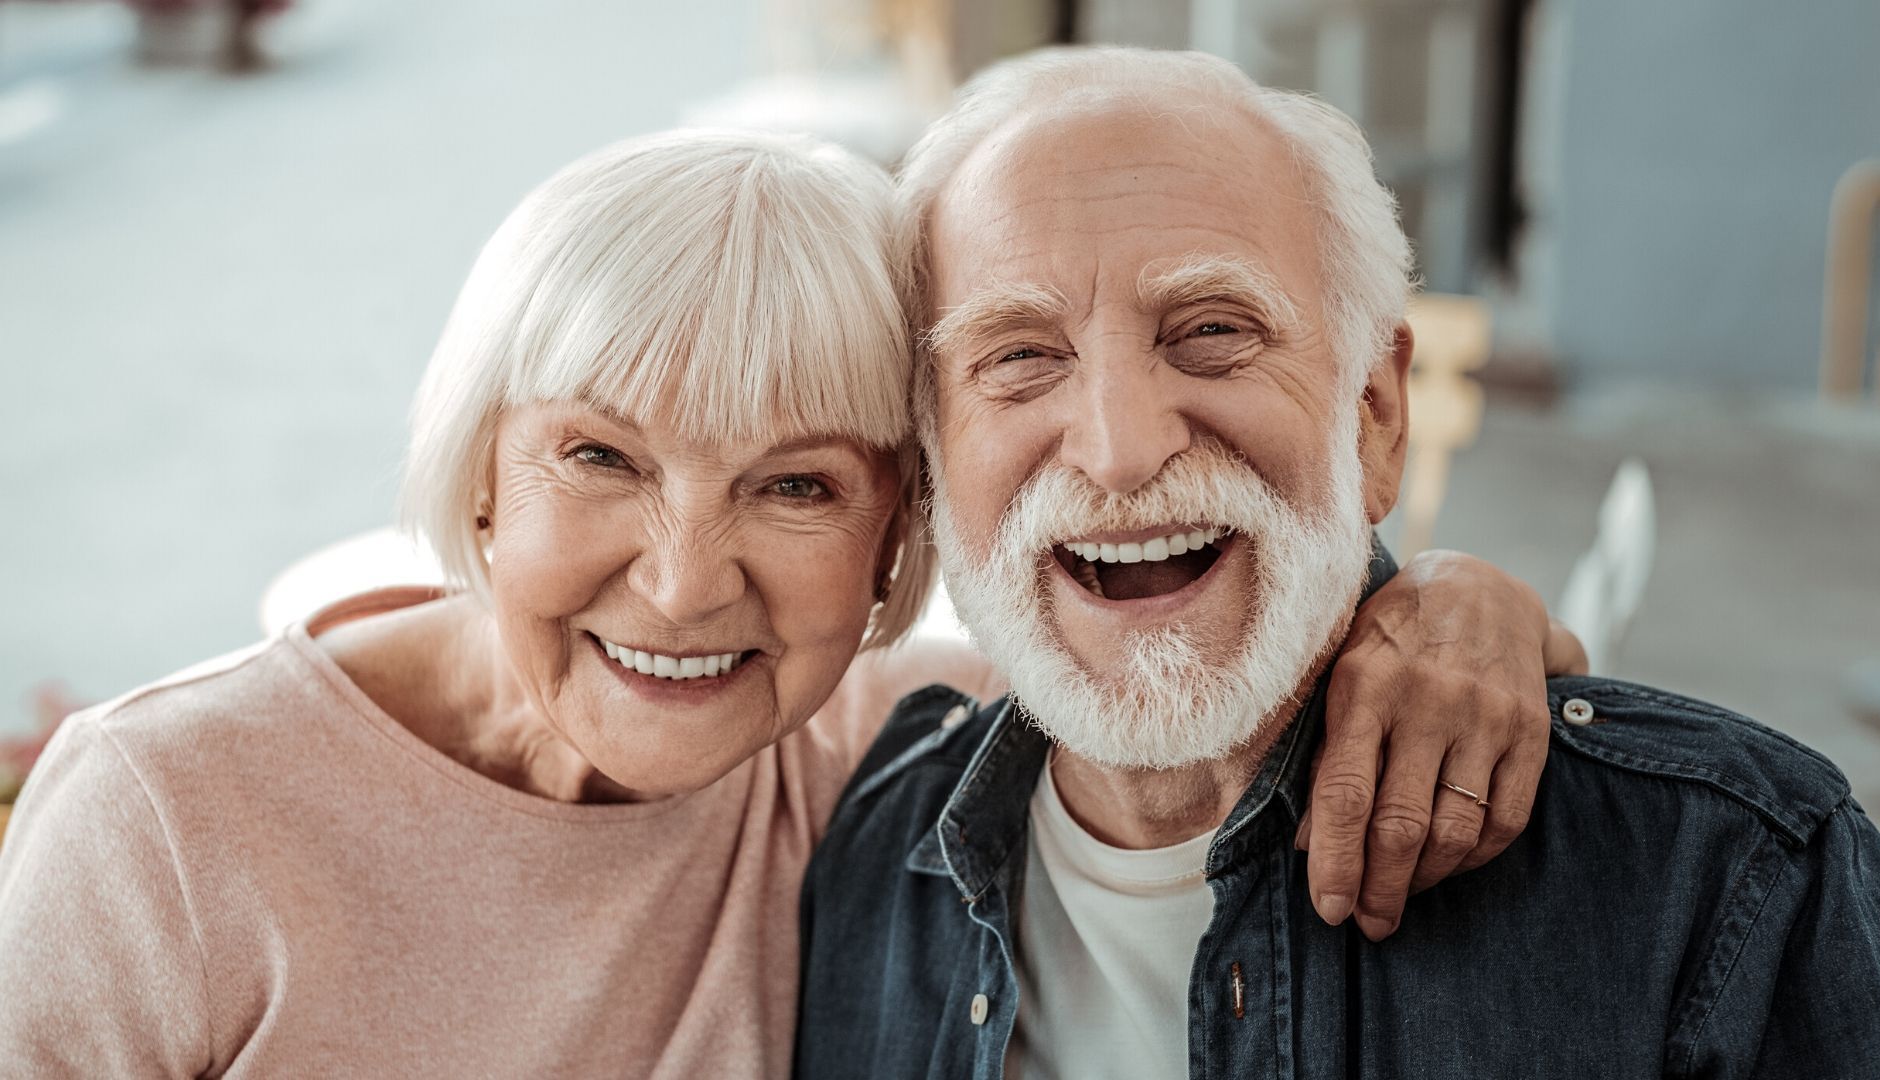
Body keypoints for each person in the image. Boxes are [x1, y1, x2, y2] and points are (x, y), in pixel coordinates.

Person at [0, 128, 1577, 1077]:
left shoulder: (893, 758)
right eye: (599, 458)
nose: (685, 585)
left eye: (797, 486)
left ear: (901, 533)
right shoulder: (165, 818)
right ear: (478, 472)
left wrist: (1450, 603)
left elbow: (1198, 662)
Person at [794, 47, 1880, 1080]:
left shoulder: (1728, 878)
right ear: (934, 463)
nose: (1120, 449)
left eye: (1213, 331)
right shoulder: (861, 848)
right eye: (1023, 356)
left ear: (1376, 416)